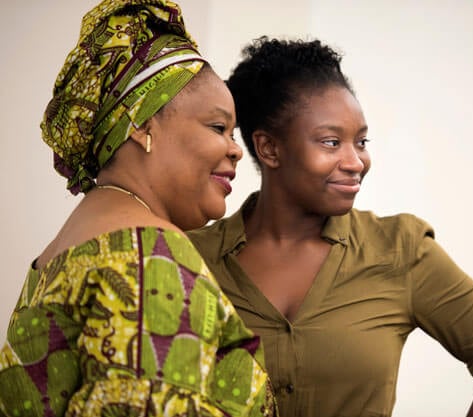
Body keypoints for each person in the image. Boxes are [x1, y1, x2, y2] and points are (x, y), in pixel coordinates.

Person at [188, 37, 473, 417]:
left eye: (361, 142)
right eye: (331, 142)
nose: (356, 161)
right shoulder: (193, 257)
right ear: (269, 149)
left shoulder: (401, 249)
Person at [0, 2, 276, 416]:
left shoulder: (55, 256)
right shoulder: (152, 254)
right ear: (142, 125)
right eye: (218, 127)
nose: (237, 149)